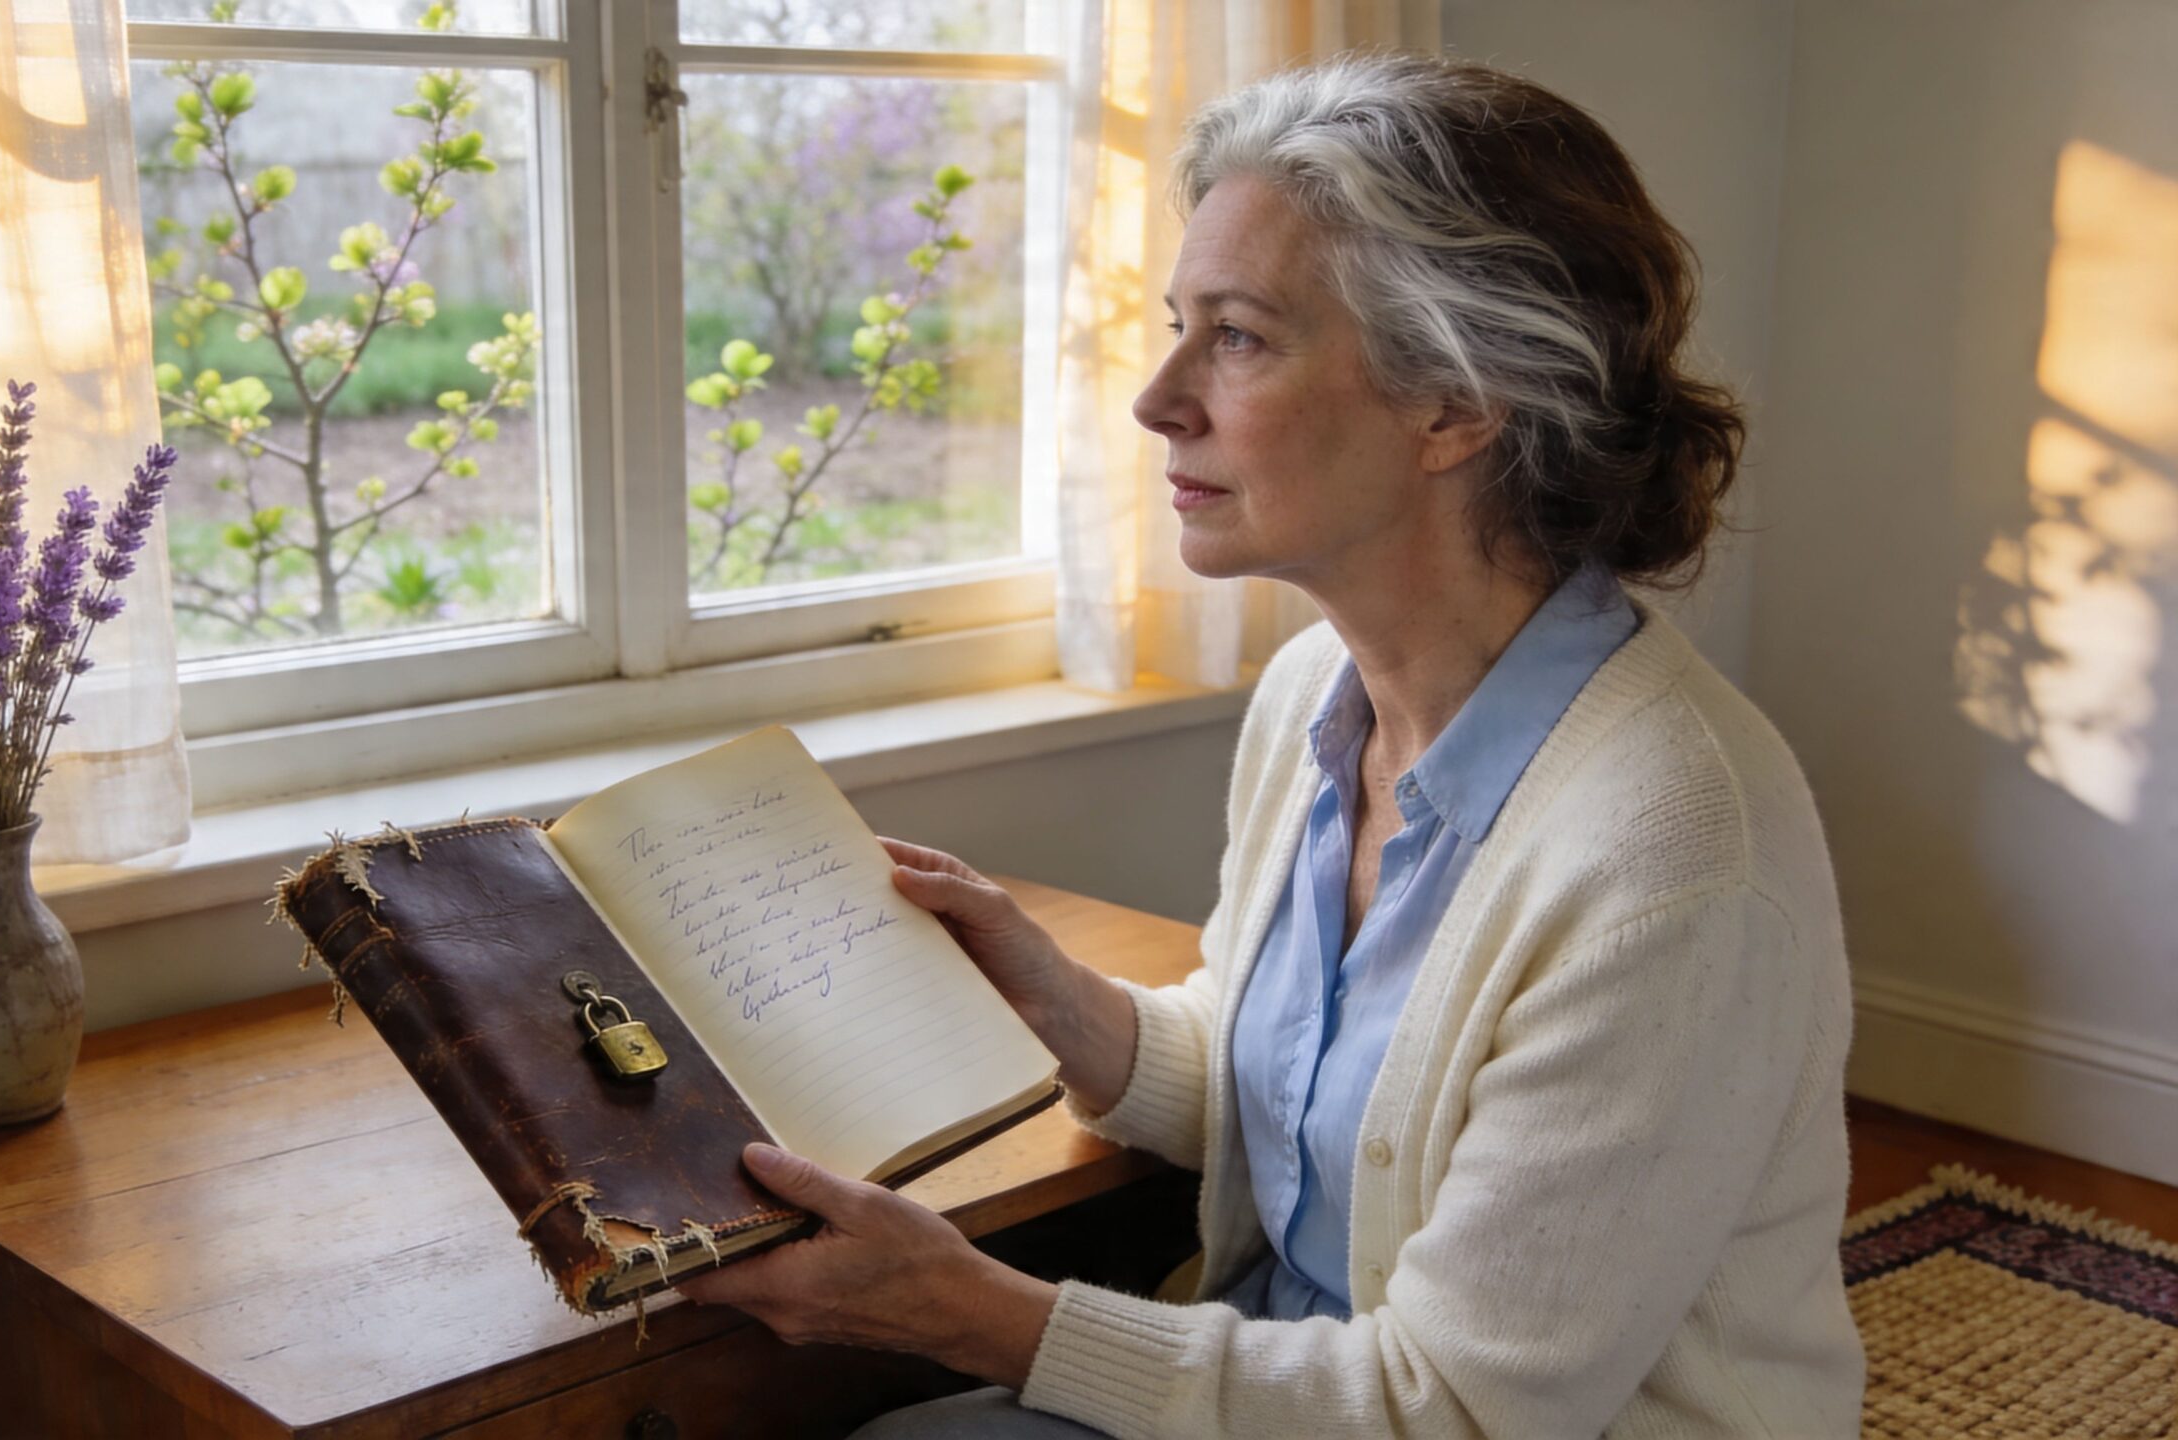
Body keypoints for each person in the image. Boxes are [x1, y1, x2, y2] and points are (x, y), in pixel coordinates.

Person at [674, 51, 1866, 1438]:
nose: (1159, 396)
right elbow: (1306, 1109)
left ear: (1455, 405)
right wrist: (1063, 1005)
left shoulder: (1675, 859)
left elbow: (1451, 1413)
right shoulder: (1317, 692)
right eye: (1179, 324)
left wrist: (960, 1306)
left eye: (1236, 335)